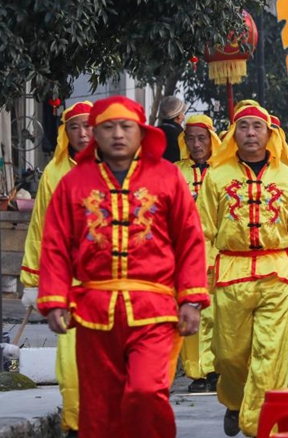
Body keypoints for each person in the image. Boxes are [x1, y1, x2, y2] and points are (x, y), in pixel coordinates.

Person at [37, 96, 209, 438]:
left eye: (126, 127)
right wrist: (54, 298)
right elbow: (55, 243)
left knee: (147, 391)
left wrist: (190, 299)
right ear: (95, 134)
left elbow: (190, 240)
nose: (117, 135)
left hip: (155, 310)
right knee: (99, 405)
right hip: (93, 311)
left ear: (141, 132)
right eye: (108, 127)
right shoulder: (73, 183)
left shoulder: (167, 177)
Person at [196, 104, 288, 437]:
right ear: (233, 134)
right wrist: (201, 273)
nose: (250, 133)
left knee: (270, 353)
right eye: (244, 127)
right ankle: (235, 402)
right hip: (229, 271)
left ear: (269, 134)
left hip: (275, 272)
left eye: (256, 127)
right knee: (229, 355)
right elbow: (202, 230)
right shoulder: (217, 177)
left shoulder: (287, 177)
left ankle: (259, 426)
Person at [20, 101, 92, 437]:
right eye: (74, 126)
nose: (82, 133)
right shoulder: (53, 173)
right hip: (70, 281)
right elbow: (41, 229)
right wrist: (33, 281)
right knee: (70, 361)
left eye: (89, 125)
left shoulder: (123, 169)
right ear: (65, 132)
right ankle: (76, 425)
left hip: (114, 282)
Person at [174, 114, 222, 393]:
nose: (196, 143)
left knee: (219, 313)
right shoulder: (174, 171)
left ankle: (218, 368)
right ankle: (197, 372)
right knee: (191, 310)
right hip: (186, 253)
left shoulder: (223, 170)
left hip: (220, 252)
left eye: (201, 137)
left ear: (212, 139)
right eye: (190, 138)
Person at [157, 95, 187, 163]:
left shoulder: (153, 133)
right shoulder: (182, 136)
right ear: (179, 116)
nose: (183, 117)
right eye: (182, 113)